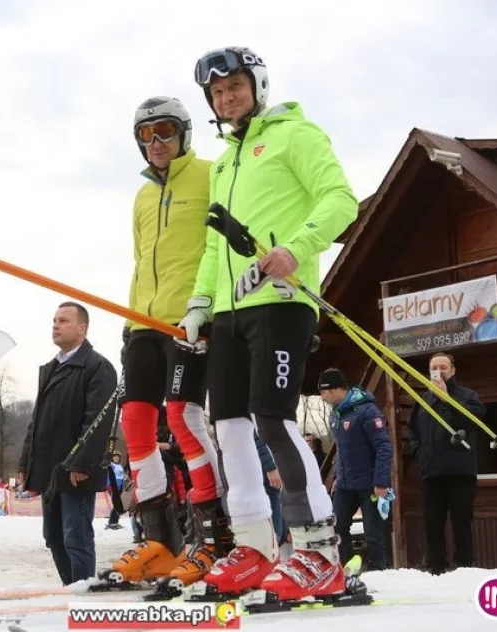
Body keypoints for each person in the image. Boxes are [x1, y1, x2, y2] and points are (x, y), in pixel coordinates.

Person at [178, 46, 358, 599]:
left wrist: (296, 248)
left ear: (257, 84)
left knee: (272, 418)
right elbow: (213, 244)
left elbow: (341, 200)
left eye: (234, 86)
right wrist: (199, 303)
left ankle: (319, 551)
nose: (226, 98)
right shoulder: (226, 161)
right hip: (230, 312)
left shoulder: (295, 134)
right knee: (229, 426)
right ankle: (256, 547)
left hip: (281, 299)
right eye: (216, 93)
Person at [109, 95, 230, 589]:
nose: (155, 143)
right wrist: (129, 316)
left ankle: (211, 538)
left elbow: (220, 245)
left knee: (181, 416)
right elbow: (142, 260)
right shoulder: (140, 195)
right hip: (142, 321)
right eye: (145, 135)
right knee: (136, 420)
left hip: (189, 319)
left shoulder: (209, 174)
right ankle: (158, 541)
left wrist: (207, 306)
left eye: (164, 131)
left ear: (183, 132)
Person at [19, 302, 118, 585]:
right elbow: (36, 420)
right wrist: (25, 463)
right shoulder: (50, 368)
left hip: (76, 470)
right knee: (53, 537)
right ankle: (70, 588)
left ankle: (82, 594)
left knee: (76, 536)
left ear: (81, 328)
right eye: (54, 320)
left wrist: (82, 462)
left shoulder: (98, 367)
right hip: (49, 469)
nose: (55, 325)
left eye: (63, 320)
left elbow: (97, 421)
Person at [406, 352, 486, 575]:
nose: (439, 371)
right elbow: (412, 432)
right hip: (431, 471)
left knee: (461, 521)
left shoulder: (468, 395)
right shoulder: (422, 400)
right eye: (434, 368)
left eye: (443, 367)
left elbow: (472, 420)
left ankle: (464, 566)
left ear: (453, 370)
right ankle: (436, 566)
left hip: (460, 470)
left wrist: (446, 400)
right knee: (432, 522)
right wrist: (418, 452)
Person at [318, 368, 392, 571]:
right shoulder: (336, 414)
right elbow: (341, 450)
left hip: (369, 483)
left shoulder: (366, 410)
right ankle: (345, 569)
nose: (322, 397)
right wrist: (336, 479)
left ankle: (379, 571)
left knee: (373, 531)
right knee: (336, 526)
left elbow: (383, 446)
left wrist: (381, 482)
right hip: (345, 482)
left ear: (335, 390)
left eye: (324, 392)